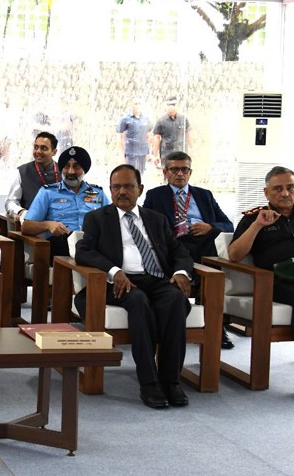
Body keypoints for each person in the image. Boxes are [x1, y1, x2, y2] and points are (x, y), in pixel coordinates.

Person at [76, 164, 193, 410]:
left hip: (158, 279)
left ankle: (171, 381)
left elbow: (178, 251)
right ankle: (149, 383)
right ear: (110, 189)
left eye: (128, 186)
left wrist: (181, 272)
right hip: (121, 283)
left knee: (175, 301)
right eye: (116, 187)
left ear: (140, 189)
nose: (121, 192)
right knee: (138, 302)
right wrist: (114, 271)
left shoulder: (155, 219)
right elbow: (84, 251)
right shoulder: (98, 218)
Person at [143, 151, 235, 349]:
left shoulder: (204, 195)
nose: (180, 174)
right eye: (175, 169)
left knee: (212, 277)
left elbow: (228, 224)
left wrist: (210, 227)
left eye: (184, 169)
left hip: (203, 246)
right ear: (166, 172)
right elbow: (145, 225)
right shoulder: (155, 195)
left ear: (190, 172)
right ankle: (174, 324)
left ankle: (216, 327)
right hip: (172, 247)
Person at [228, 166, 294, 325]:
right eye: (278, 189)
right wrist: (258, 225)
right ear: (266, 192)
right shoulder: (254, 218)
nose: (285, 193)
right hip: (275, 280)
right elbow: (234, 254)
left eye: (290, 188)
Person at [21, 146, 109, 259]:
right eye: (66, 166)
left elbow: (112, 220)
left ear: (84, 169)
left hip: (93, 244)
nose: (71, 171)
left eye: (76, 167)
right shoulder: (47, 192)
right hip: (62, 246)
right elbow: (26, 227)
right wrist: (48, 225)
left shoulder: (98, 193)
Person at [4, 132, 60, 223]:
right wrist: (21, 212)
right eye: (36, 147)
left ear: (54, 152)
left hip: (60, 223)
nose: (38, 151)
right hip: (32, 225)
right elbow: (10, 202)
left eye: (43, 148)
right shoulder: (22, 171)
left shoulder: (64, 171)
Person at [153, 95, 191, 165]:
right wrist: (155, 155)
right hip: (167, 155)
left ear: (177, 105)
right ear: (166, 106)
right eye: (168, 104)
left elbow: (188, 134)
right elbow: (156, 138)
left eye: (173, 104)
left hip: (181, 154)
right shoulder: (161, 121)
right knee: (168, 175)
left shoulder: (183, 119)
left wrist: (192, 149)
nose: (171, 106)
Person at [117, 98, 153, 173]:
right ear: (131, 105)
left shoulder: (146, 120)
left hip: (142, 151)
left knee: (141, 174)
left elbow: (148, 136)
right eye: (135, 104)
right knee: (130, 173)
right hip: (130, 152)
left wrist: (149, 152)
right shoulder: (125, 119)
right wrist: (121, 154)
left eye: (139, 104)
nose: (137, 106)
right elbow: (120, 136)